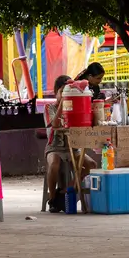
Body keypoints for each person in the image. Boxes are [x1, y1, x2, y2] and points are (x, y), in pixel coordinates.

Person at [43, 76, 96, 213]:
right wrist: (63, 102)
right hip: (54, 146)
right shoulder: (50, 107)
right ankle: (53, 199)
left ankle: (67, 190)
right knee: (54, 163)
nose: (66, 94)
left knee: (91, 165)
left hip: (73, 147)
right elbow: (54, 124)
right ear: (56, 92)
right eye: (63, 91)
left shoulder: (75, 106)